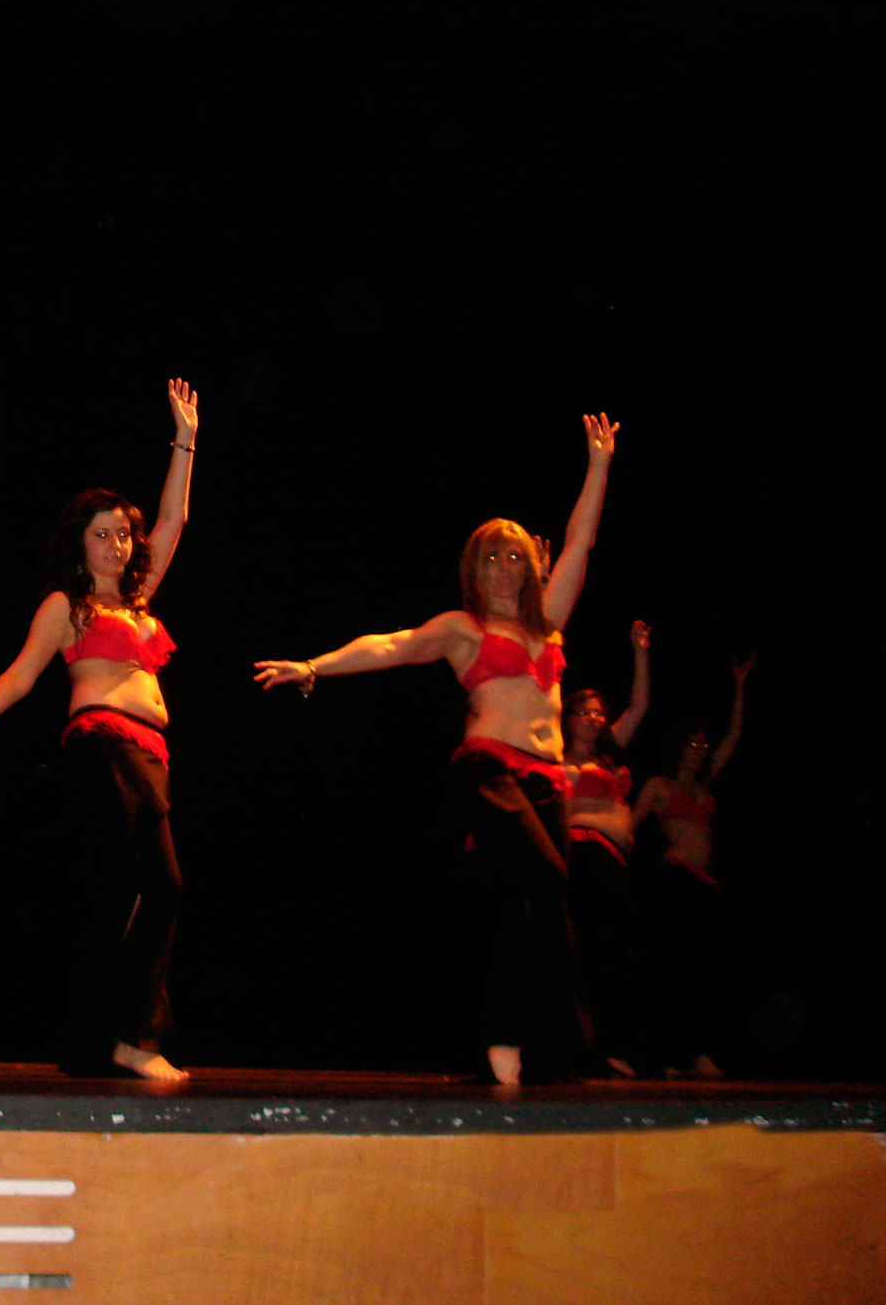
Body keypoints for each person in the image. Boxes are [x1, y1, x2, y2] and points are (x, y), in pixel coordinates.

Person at [255, 413, 620, 1086]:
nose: (504, 568)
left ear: (531, 566)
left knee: (537, 901)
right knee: (545, 879)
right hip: (489, 767)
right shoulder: (463, 628)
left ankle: (538, 1046)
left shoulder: (550, 623)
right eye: (492, 558)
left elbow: (581, 540)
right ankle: (529, 1036)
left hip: (550, 781)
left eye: (515, 556)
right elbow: (391, 646)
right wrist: (313, 667)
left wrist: (598, 465)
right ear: (474, 570)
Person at [0, 380, 198, 1082]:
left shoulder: (139, 601)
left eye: (123, 534)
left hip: (152, 753)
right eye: (102, 534)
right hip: (103, 741)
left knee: (136, 889)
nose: (117, 544)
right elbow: (22, 673)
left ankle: (96, 1040)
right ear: (80, 544)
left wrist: (185, 440)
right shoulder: (68, 604)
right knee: (161, 881)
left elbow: (173, 518)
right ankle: (134, 1037)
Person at [633, 652, 753, 1078]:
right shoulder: (660, 786)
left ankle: (696, 1051)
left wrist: (740, 684)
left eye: (703, 745)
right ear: (679, 746)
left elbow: (734, 735)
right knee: (675, 969)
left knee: (705, 973)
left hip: (705, 883)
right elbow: (629, 826)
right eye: (693, 744)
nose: (700, 751)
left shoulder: (703, 785)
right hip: (676, 881)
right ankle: (670, 1055)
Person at [562, 619, 651, 1076]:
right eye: (584, 712)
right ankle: (596, 1048)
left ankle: (611, 1046)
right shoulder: (560, 759)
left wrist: (640, 651)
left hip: (615, 862)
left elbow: (640, 705)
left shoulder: (610, 754)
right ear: (568, 717)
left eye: (598, 713)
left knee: (618, 953)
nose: (594, 719)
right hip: (585, 854)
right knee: (594, 952)